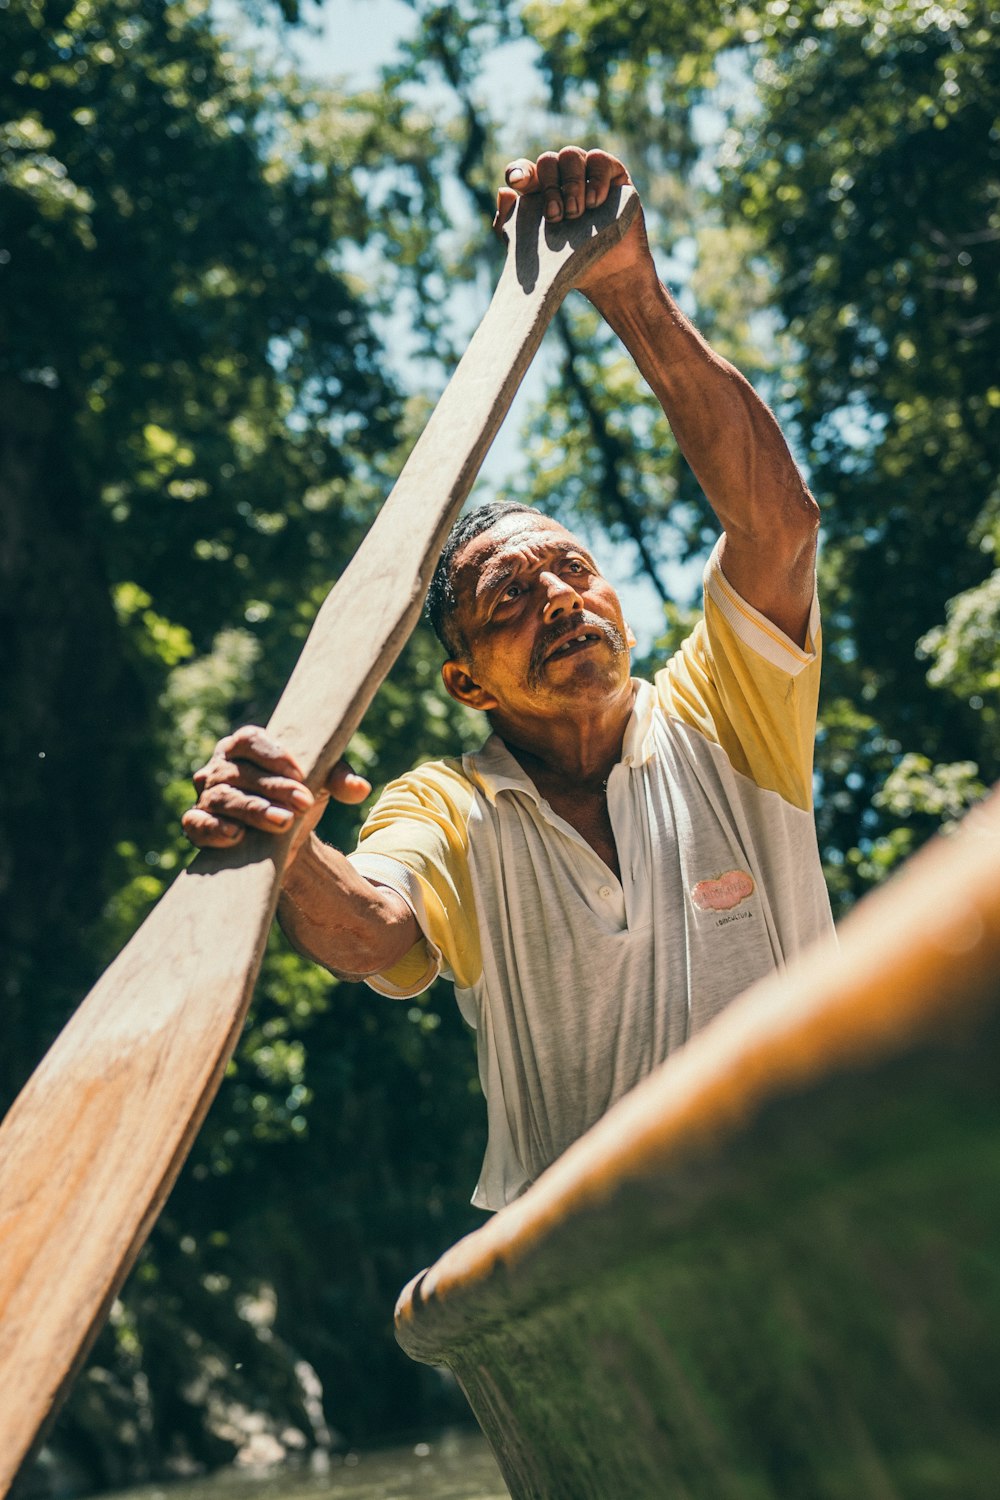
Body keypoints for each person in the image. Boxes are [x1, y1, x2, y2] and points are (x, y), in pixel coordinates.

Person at [183, 147, 834, 1210]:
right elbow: (370, 932)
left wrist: (627, 289)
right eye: (509, 603)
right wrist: (289, 847)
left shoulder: (720, 714)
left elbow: (777, 525)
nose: (560, 601)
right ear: (465, 684)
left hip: (822, 1190)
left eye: (574, 572)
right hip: (605, 1276)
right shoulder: (448, 805)